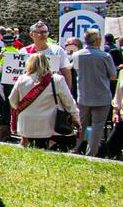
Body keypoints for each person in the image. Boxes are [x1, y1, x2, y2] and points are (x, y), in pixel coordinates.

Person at [8, 51, 78, 149]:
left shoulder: (22, 79)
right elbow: (68, 102)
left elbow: (12, 100)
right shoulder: (57, 79)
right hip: (49, 124)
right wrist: (76, 118)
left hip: (26, 124)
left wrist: (23, 108)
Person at [71, 29, 117, 157]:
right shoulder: (105, 56)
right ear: (97, 40)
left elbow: (75, 69)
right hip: (102, 96)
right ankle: (91, 153)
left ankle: (75, 148)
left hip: (84, 95)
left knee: (81, 125)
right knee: (97, 127)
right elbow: (113, 76)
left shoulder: (77, 55)